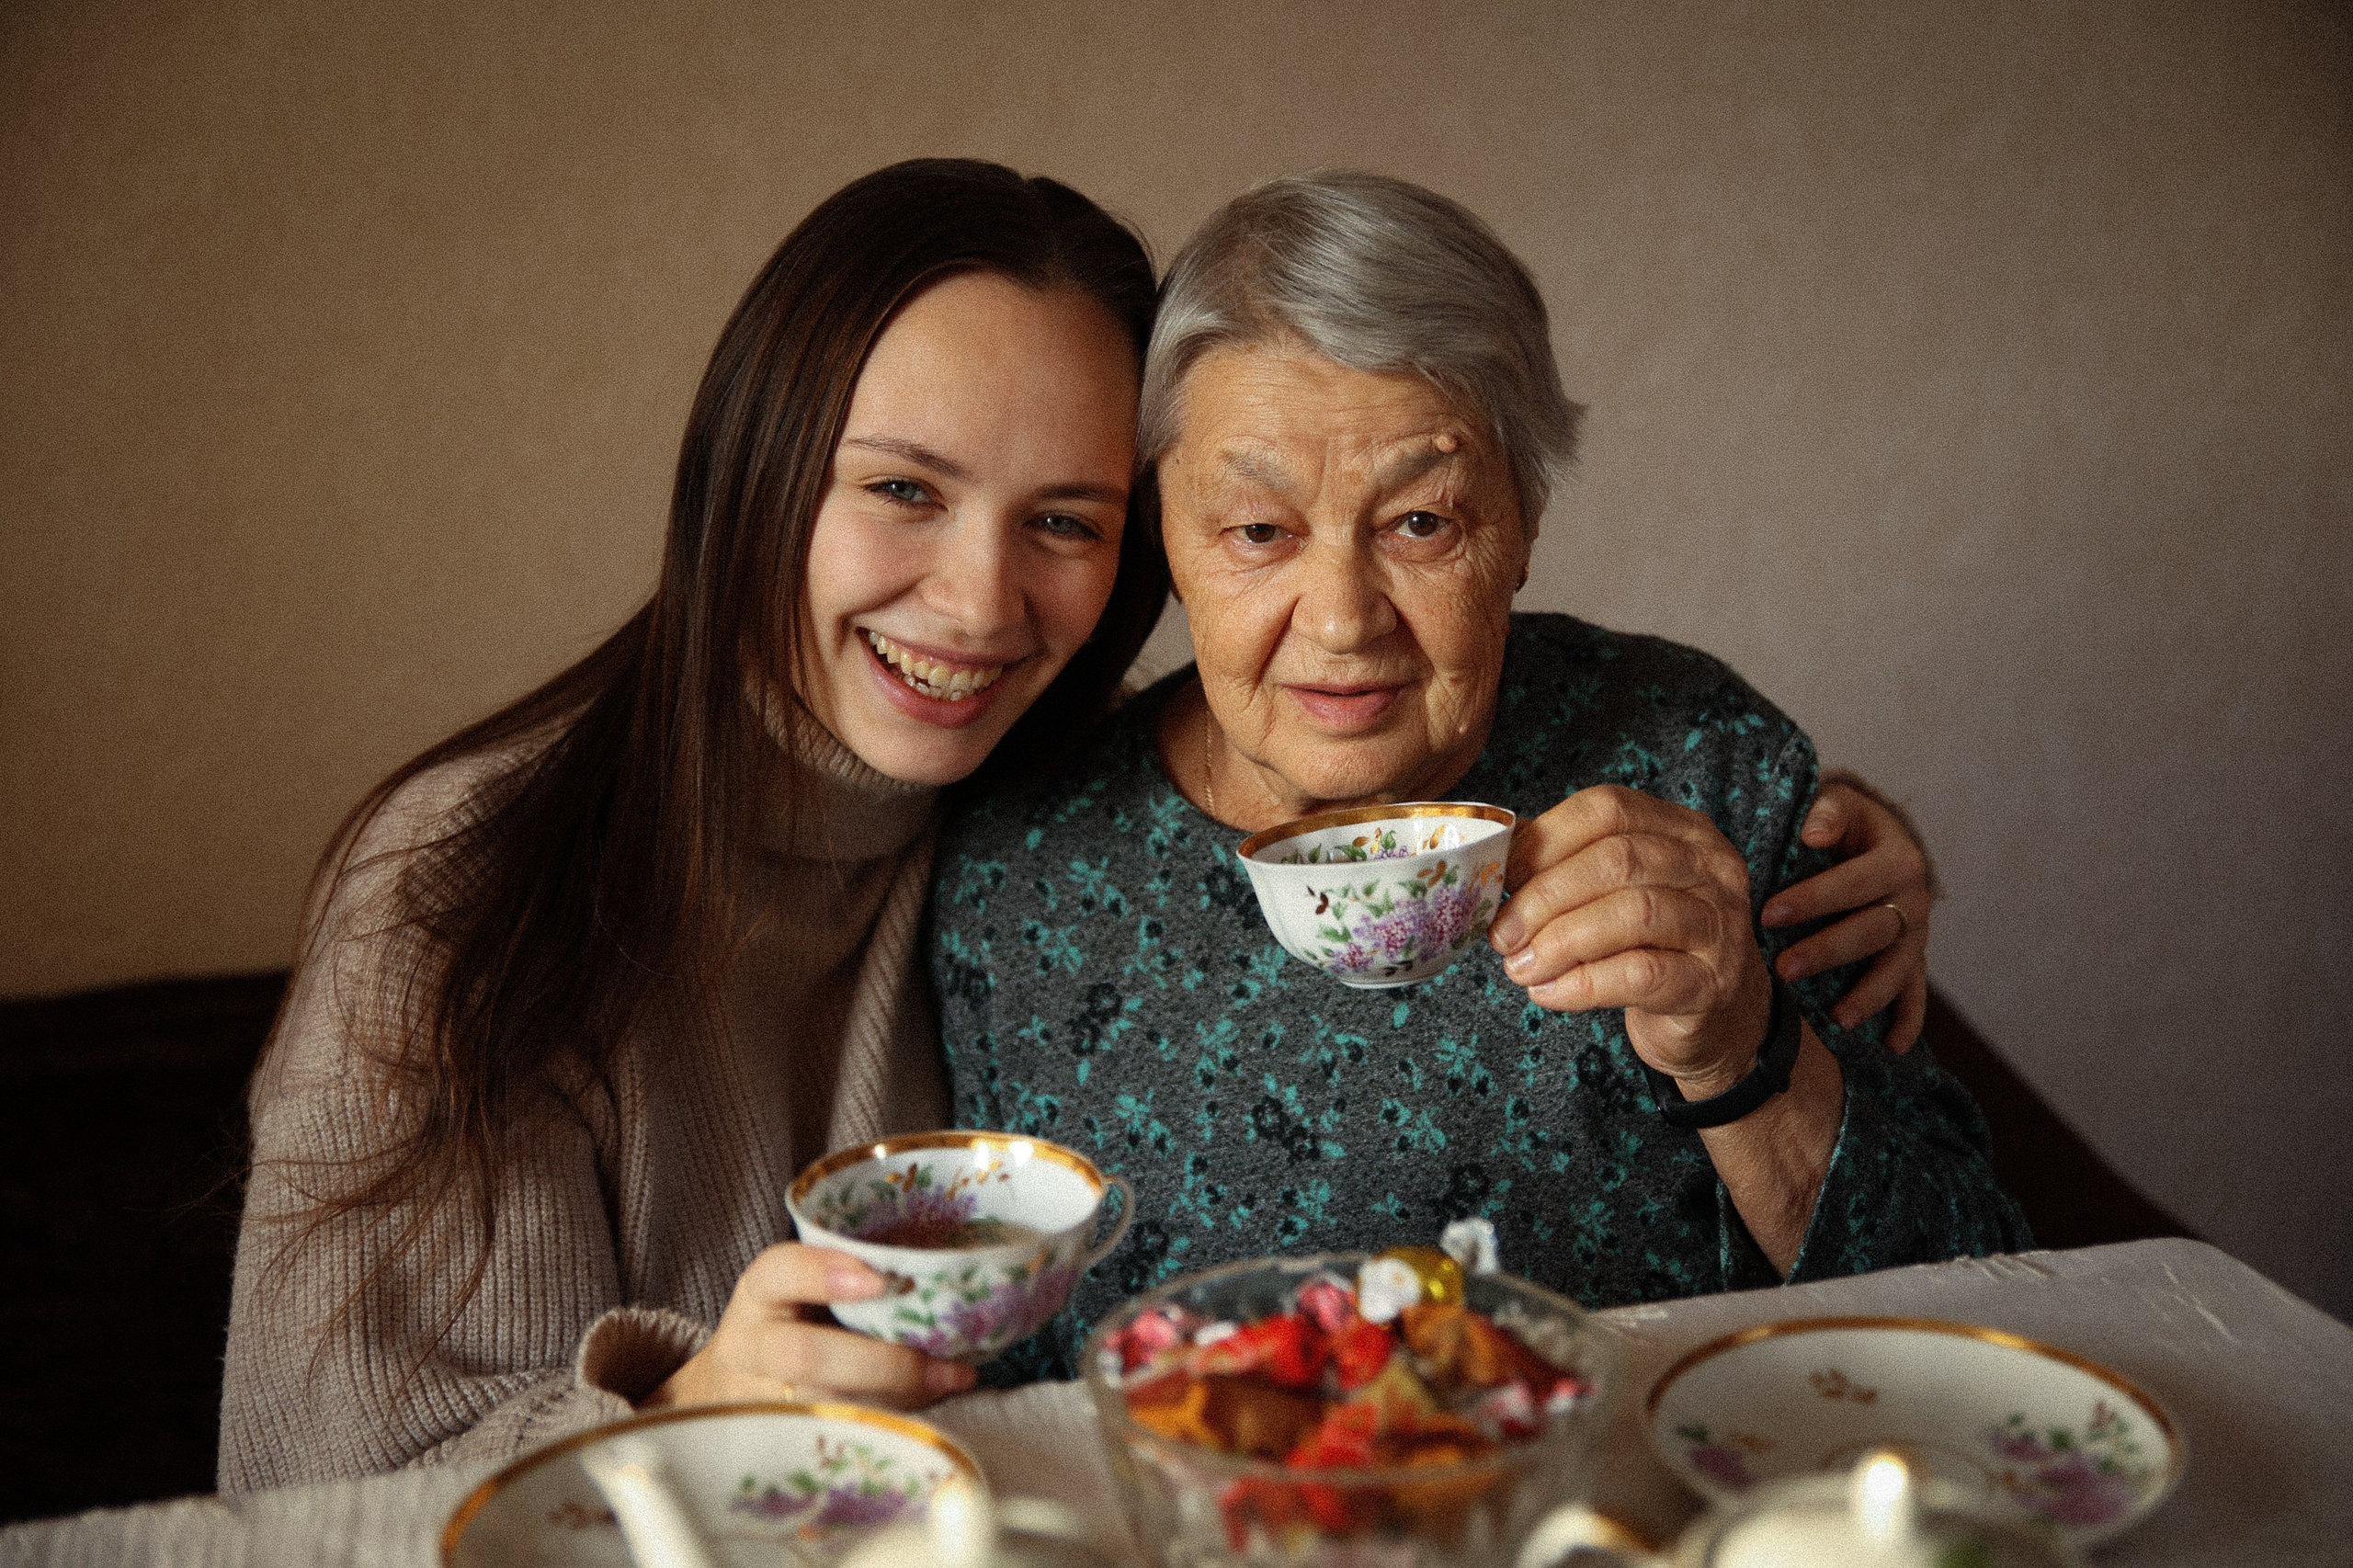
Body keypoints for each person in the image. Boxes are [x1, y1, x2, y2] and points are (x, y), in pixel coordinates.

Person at [222, 159, 1938, 1490]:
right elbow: (309, 1495)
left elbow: (1963, 1299)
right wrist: (685, 1409)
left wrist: (1771, 968)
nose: (977, 603)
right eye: (901, 487)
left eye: (1062, 518)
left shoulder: (1018, 797)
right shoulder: (499, 879)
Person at [929, 173, 2029, 1380]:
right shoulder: (1027, 872)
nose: (1343, 620)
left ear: (1524, 512)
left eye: (1421, 523)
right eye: (1257, 530)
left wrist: (1741, 1049)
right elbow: (1000, 1388)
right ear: (1164, 533)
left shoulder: (1703, 766)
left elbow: (1992, 1314)